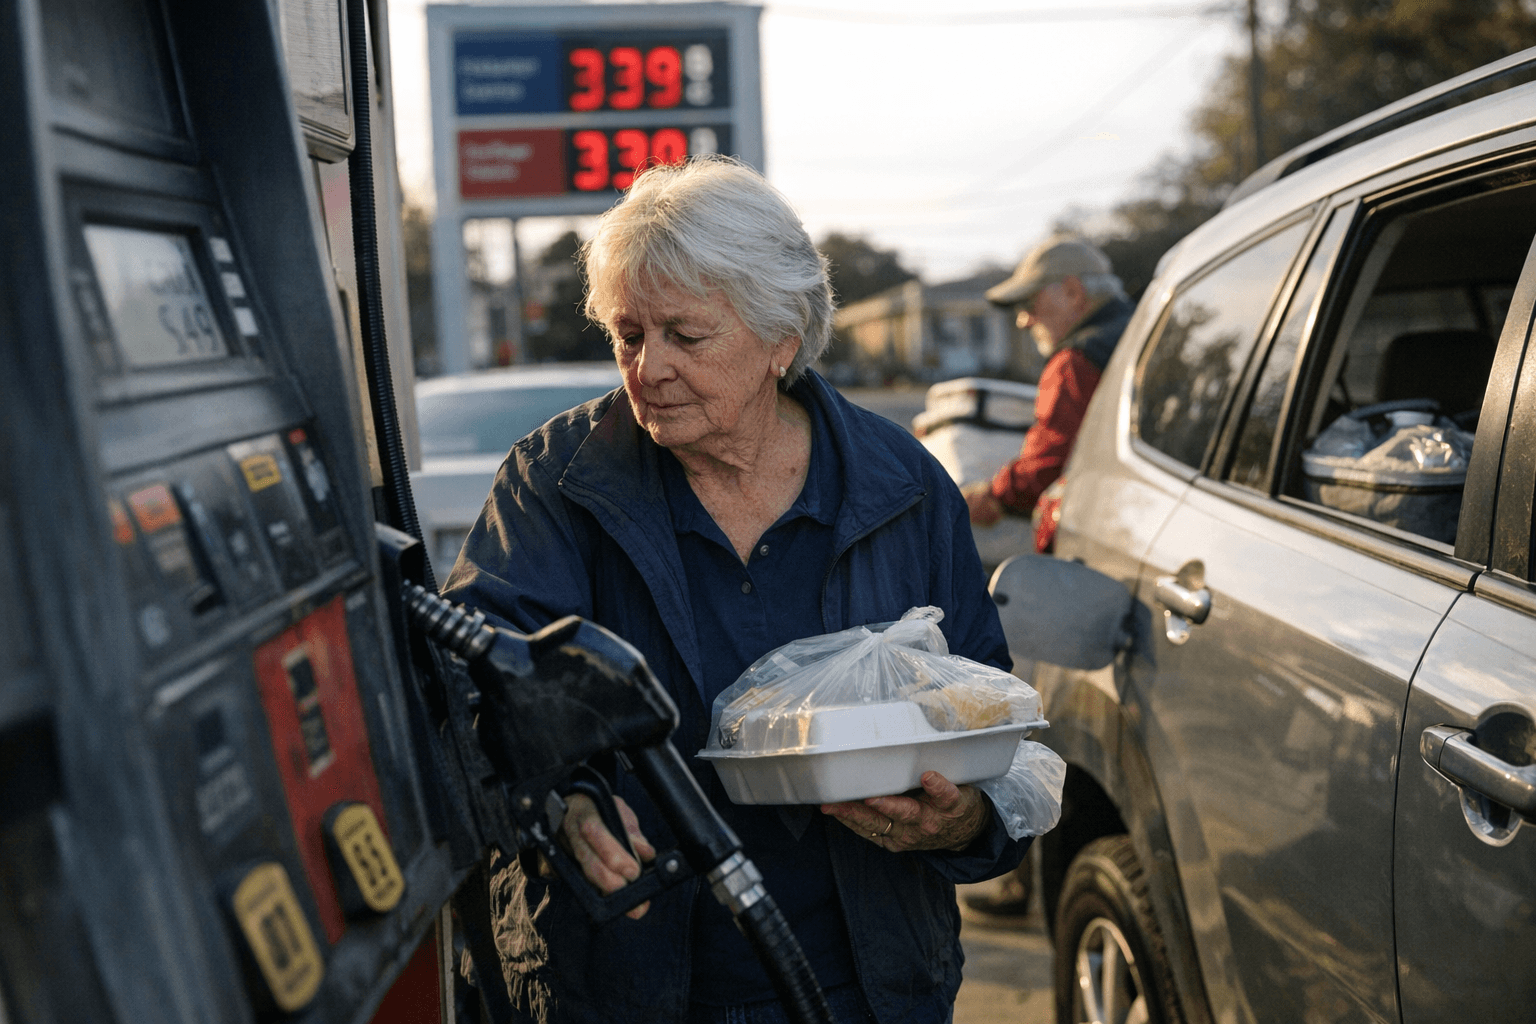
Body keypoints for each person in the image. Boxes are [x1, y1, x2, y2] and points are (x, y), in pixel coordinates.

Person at [441, 157, 1031, 1024]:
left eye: (687, 335)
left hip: (867, 989)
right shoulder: (554, 486)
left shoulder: (900, 485)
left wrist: (965, 820)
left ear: (779, 340)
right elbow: (471, 690)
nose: (648, 368)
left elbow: (990, 709)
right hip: (621, 986)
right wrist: (561, 803)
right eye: (628, 334)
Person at [963, 235, 1134, 530]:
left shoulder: (1076, 361)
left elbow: (1048, 461)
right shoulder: (1138, 329)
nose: (1024, 320)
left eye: (1029, 303)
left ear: (1072, 292)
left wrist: (992, 496)